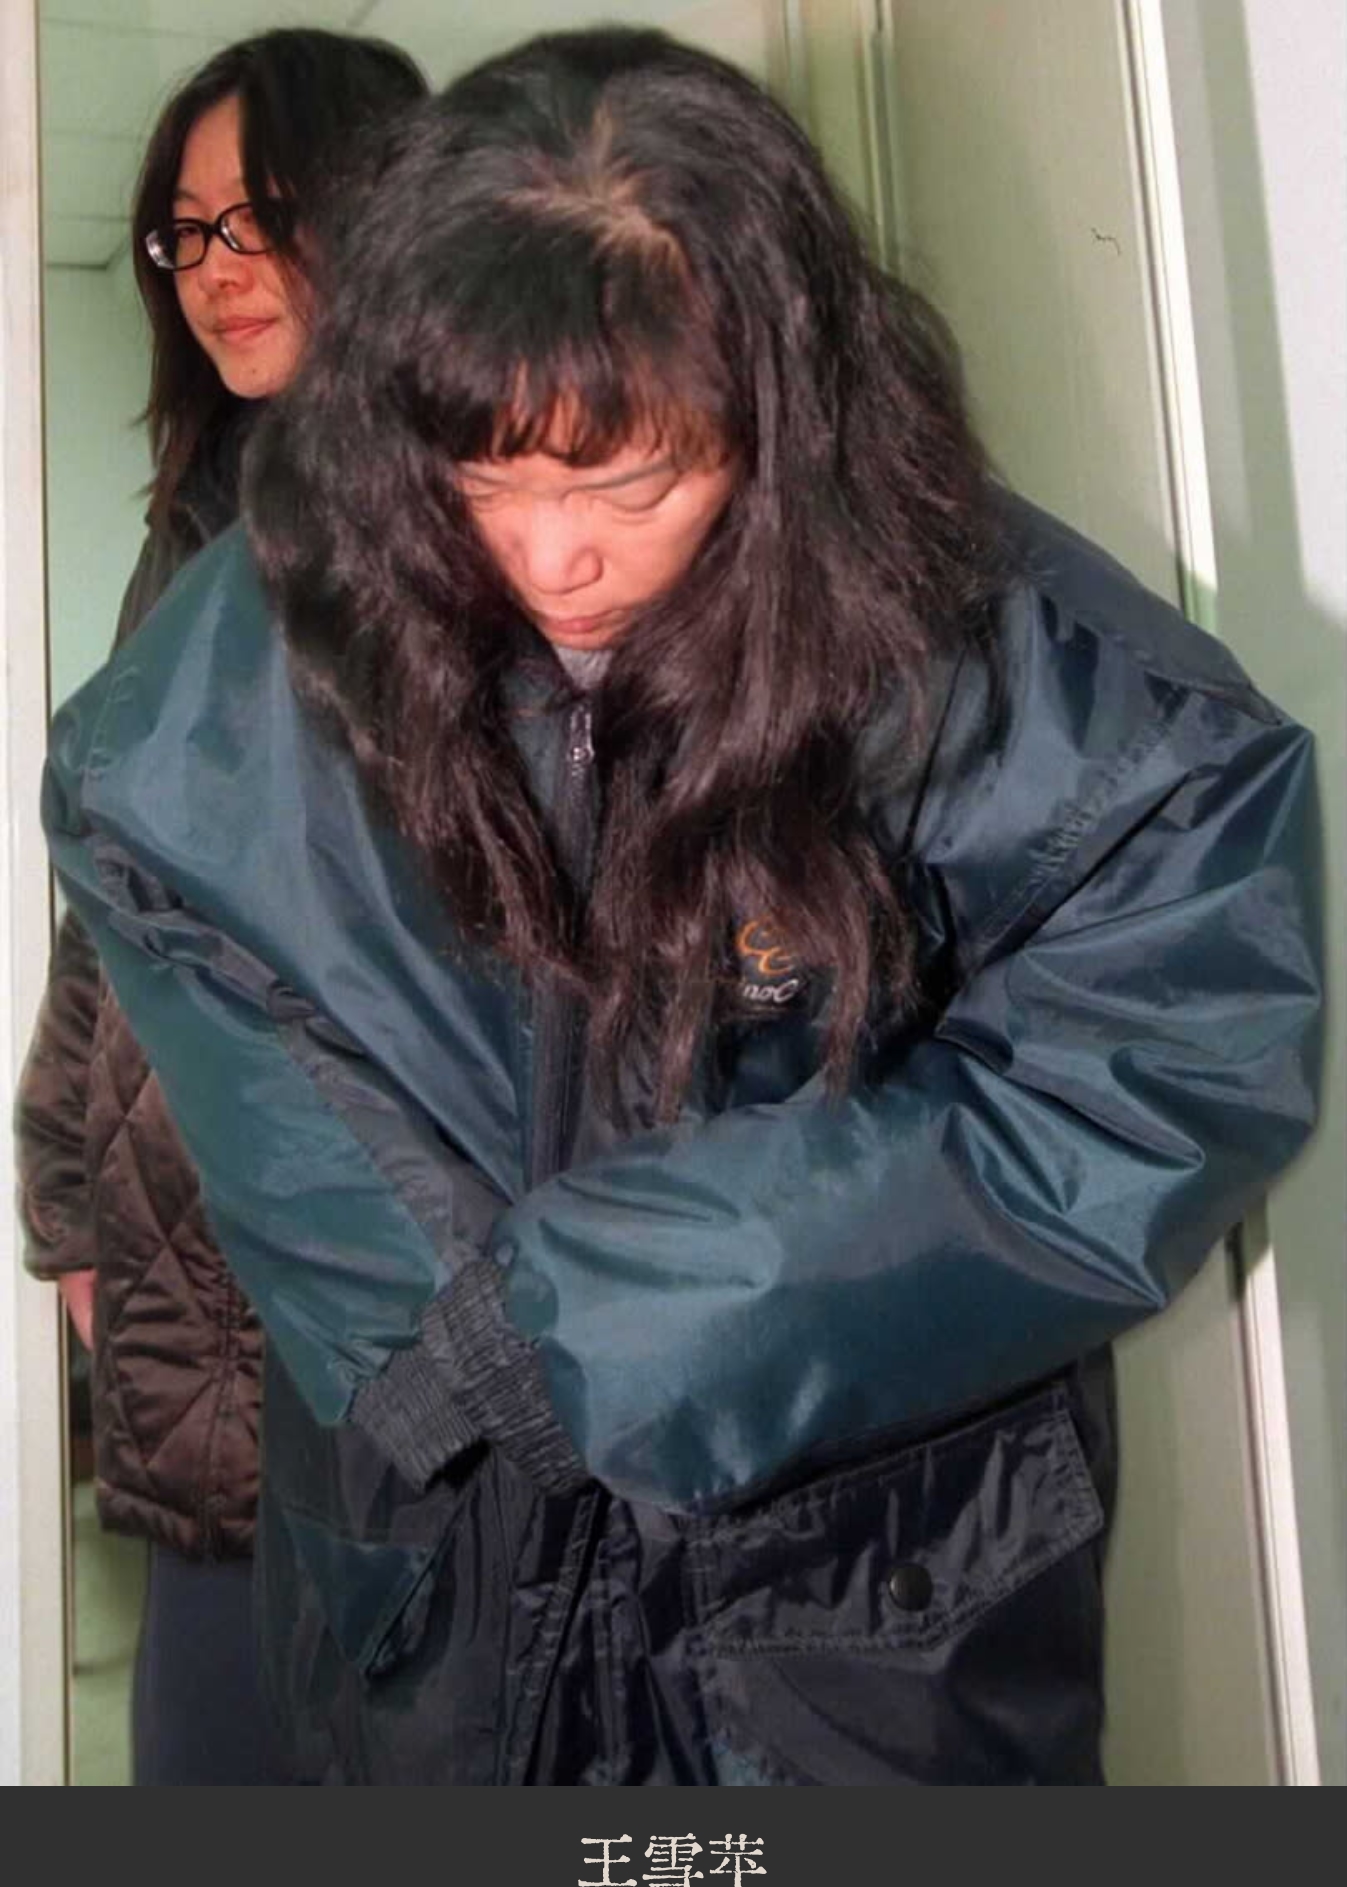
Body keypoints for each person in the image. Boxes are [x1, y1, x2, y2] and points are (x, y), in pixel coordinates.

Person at [41, 28, 1322, 1785]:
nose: (550, 556)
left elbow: (1167, 1043)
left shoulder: (982, 642)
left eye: (630, 484)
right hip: (438, 1582)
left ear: (780, 420)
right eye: (484, 480)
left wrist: (607, 1312)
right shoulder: (277, 630)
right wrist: (441, 1331)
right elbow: (139, 844)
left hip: (871, 1582)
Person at [16, 28, 426, 1785]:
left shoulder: (480, 520)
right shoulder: (197, 527)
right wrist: (68, 1211)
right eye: (189, 232)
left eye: (266, 215)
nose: (217, 269)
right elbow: (109, 916)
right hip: (197, 1320)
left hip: (407, 1351)